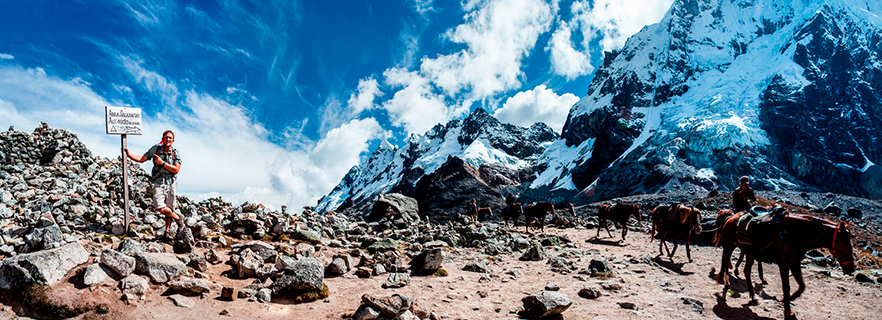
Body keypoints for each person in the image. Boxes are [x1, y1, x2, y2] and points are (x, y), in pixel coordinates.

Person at [125, 130, 182, 237]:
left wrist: (162, 163)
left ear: (173, 141)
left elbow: (176, 170)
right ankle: (178, 218)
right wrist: (129, 155)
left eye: (170, 138)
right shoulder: (156, 149)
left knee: (169, 207)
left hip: (171, 182)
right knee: (159, 206)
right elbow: (142, 159)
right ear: (162, 139)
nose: (168, 139)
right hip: (159, 181)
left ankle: (167, 232)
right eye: (166, 137)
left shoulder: (175, 153)